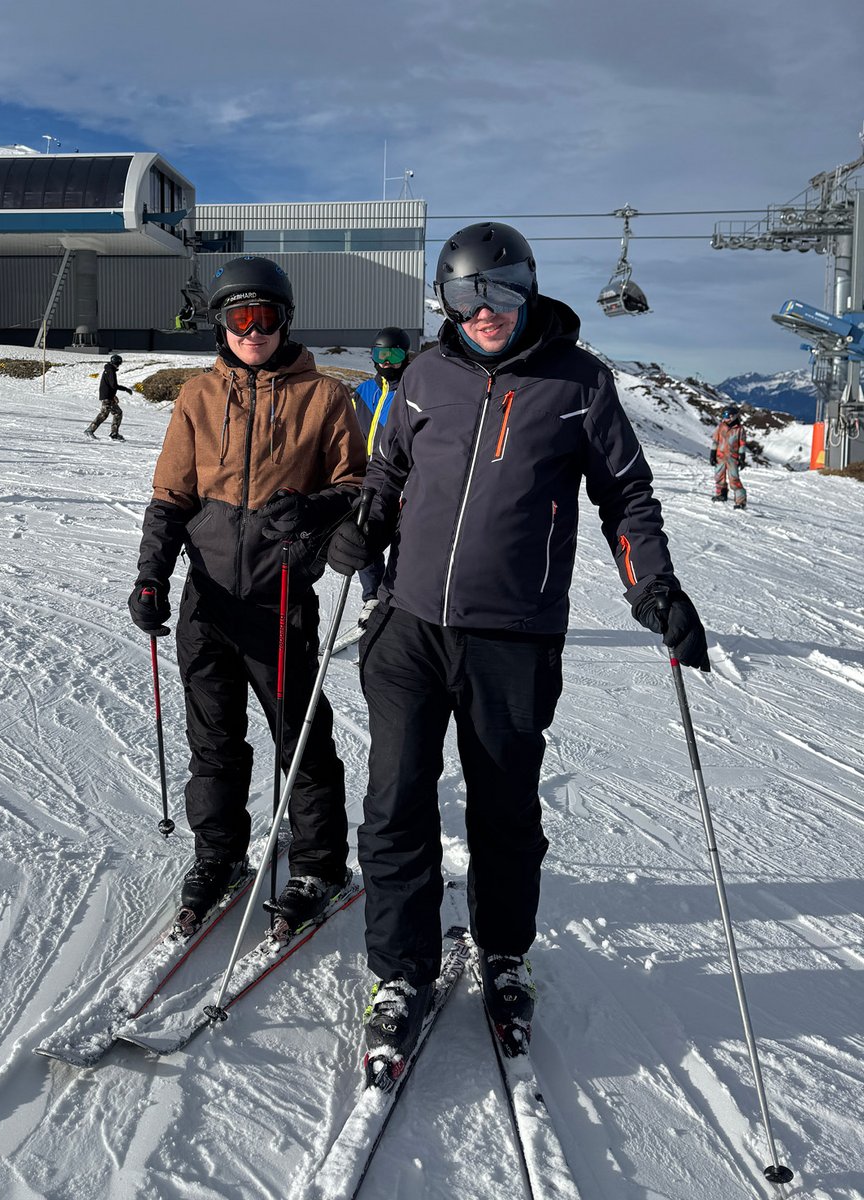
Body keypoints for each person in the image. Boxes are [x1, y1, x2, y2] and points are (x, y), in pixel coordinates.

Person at [326, 222, 711, 1080]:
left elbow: (626, 495)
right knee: (395, 802)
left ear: (529, 289)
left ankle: (503, 953)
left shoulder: (578, 383)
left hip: (514, 635)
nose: (484, 310)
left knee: (504, 810)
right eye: (465, 294)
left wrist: (652, 585)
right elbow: (388, 471)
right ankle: (401, 971)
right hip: (410, 625)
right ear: (445, 300)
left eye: (501, 290)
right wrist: (366, 524)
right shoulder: (424, 375)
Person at [128, 255, 367, 934]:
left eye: (266, 317)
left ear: (285, 321)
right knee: (214, 741)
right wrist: (152, 575)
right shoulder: (198, 396)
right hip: (208, 600)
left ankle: (319, 863)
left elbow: (357, 485)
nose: (253, 331)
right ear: (222, 325)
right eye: (240, 318)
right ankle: (219, 853)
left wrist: (313, 510)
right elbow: (171, 495)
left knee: (301, 739)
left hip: (279, 596)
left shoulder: (325, 397)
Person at [349, 327, 411, 627]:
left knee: (404, 538)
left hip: (402, 480)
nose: (386, 362)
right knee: (364, 535)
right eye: (380, 354)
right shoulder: (363, 392)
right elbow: (347, 432)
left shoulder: (412, 392)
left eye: (394, 355)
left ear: (405, 357)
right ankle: (372, 596)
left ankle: (399, 598)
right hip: (367, 478)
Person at [85, 355, 133, 440]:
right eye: (119, 364)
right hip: (106, 397)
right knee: (104, 414)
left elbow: (110, 385)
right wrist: (125, 389)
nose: (119, 366)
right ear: (116, 363)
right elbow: (113, 385)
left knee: (118, 413)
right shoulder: (110, 371)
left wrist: (113, 395)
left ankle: (114, 434)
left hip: (108, 396)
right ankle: (90, 430)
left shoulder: (109, 370)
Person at [710, 404, 748, 509]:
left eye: (727, 415)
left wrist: (742, 457)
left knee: (734, 479)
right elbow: (715, 441)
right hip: (720, 456)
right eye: (724, 415)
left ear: (733, 416)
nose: (725, 418)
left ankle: (741, 502)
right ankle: (721, 494)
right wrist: (712, 454)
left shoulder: (739, 429)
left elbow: (742, 444)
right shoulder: (721, 427)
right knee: (719, 477)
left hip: (732, 457)